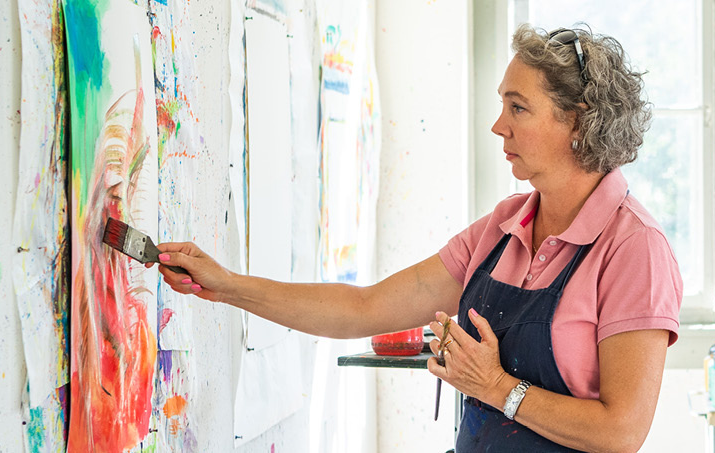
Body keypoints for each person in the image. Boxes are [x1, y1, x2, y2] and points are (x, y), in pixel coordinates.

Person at [149, 24, 682, 452]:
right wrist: (226, 285)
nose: (499, 126)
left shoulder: (634, 249)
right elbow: (363, 308)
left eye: (518, 107)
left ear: (577, 121)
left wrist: (496, 388)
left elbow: (621, 433)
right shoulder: (502, 227)